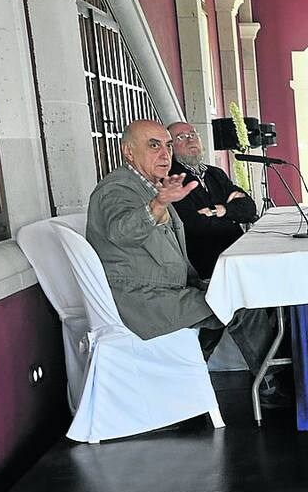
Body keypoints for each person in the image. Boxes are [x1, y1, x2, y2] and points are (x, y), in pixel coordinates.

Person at [85, 120, 284, 405]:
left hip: (166, 290)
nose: (165, 154)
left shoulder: (150, 186)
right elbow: (122, 231)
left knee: (224, 298)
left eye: (167, 146)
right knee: (236, 304)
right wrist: (158, 204)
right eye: (154, 146)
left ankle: (185, 380)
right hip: (144, 301)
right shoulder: (116, 190)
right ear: (128, 152)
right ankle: (270, 386)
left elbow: (245, 210)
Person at [166, 121, 257, 278]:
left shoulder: (216, 174)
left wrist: (220, 210)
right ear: (170, 147)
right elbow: (197, 225)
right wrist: (232, 214)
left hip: (238, 252)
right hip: (210, 263)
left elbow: (249, 209)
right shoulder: (172, 180)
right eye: (181, 137)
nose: (190, 140)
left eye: (193, 134)